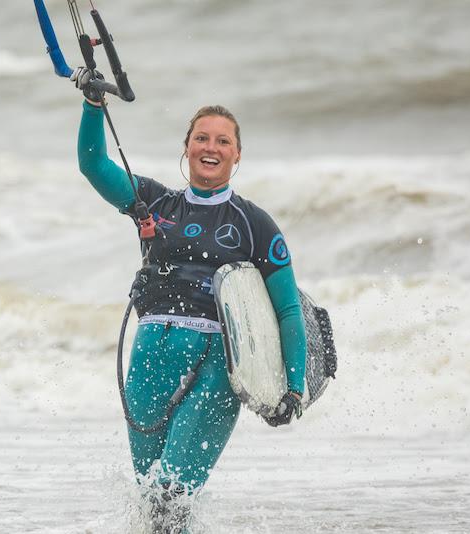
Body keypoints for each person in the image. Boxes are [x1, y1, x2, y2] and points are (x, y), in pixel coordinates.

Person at [74, 71, 307, 532]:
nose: (211, 147)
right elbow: (94, 165)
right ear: (186, 146)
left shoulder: (253, 223)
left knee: (172, 495)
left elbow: (286, 309)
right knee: (151, 502)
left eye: (223, 141)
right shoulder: (154, 204)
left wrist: (293, 386)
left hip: (217, 365)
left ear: (237, 155)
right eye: (201, 137)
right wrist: (92, 105)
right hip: (149, 359)